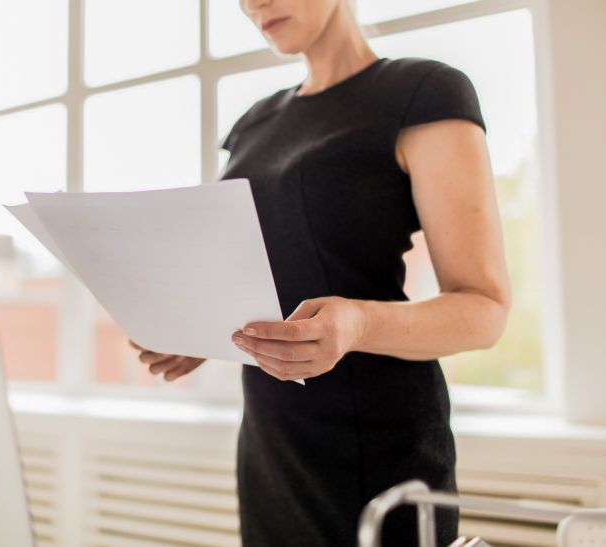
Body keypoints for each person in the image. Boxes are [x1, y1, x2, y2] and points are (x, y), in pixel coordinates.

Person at [129, 0, 511, 545]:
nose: (252, 4)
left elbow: (484, 308)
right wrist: (200, 332)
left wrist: (355, 324)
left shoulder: (423, 92)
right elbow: (257, 275)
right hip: (272, 450)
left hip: (379, 453)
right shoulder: (254, 125)